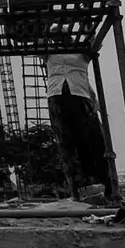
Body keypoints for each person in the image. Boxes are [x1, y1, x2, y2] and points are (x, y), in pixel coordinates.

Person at [45, 52, 107, 194]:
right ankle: (77, 189)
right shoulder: (49, 53)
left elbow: (95, 45)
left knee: (92, 143)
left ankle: (99, 185)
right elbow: (40, 47)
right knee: (68, 146)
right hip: (57, 94)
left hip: (80, 94)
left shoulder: (81, 53)